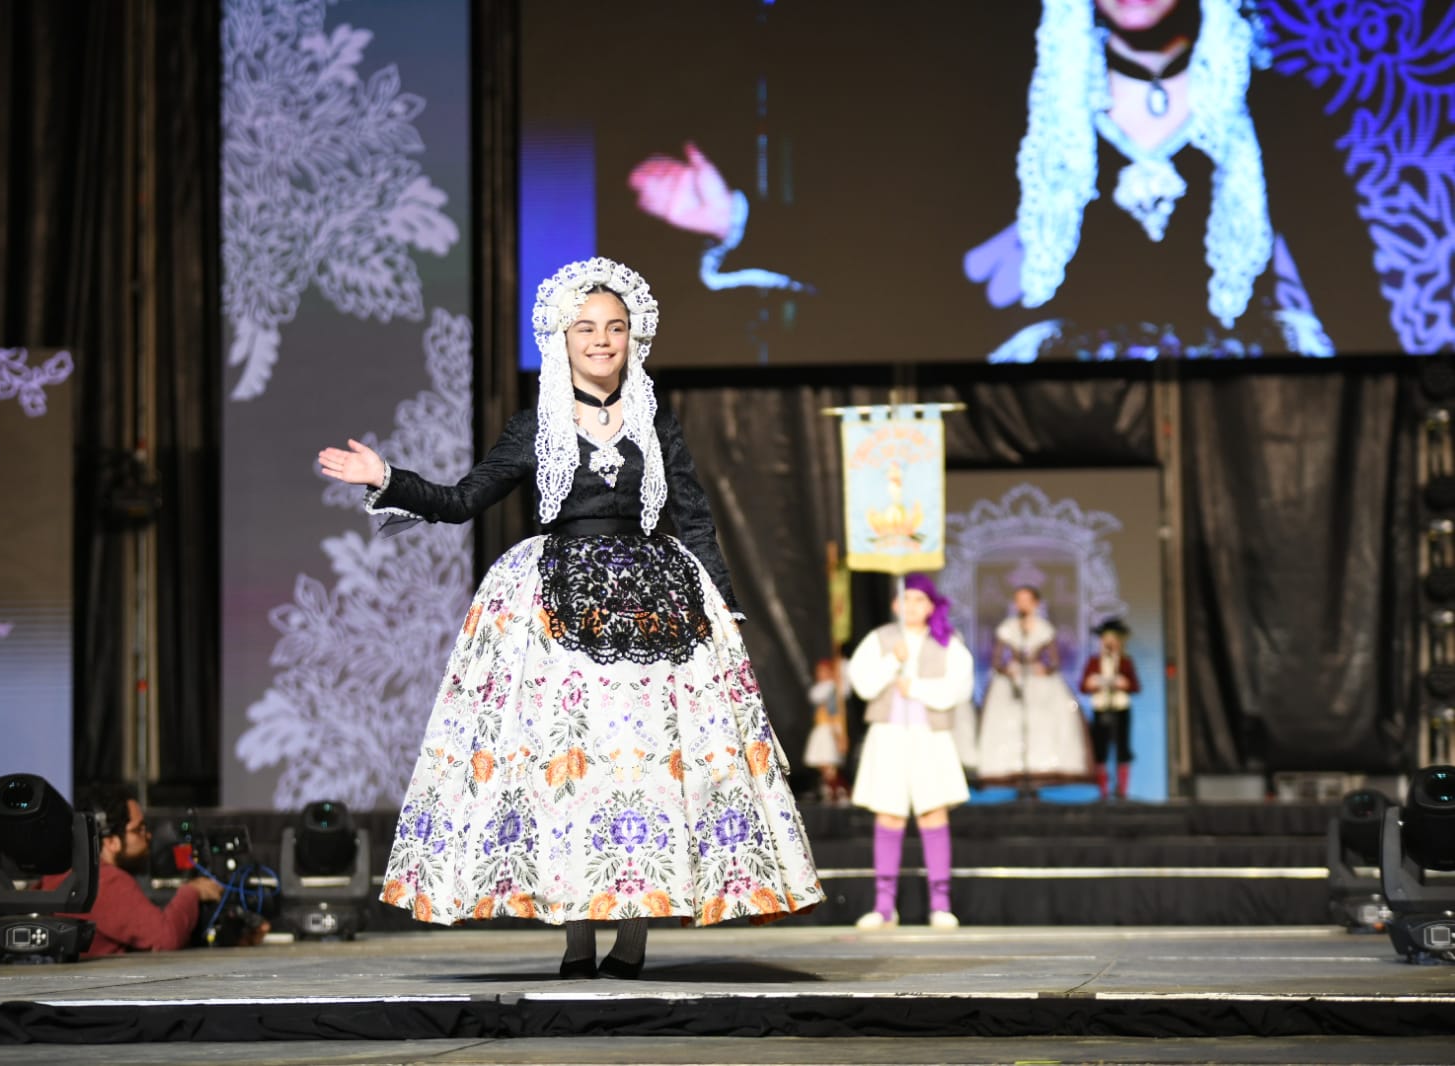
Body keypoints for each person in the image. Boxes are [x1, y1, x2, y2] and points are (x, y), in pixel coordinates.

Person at [317, 257, 823, 980]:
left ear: (632, 339)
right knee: (572, 770)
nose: (600, 340)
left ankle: (634, 940)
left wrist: (723, 607)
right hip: (554, 611)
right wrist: (388, 479)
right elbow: (465, 500)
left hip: (658, 606)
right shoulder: (536, 426)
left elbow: (694, 516)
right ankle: (577, 939)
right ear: (561, 337)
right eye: (585, 327)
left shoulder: (657, 422)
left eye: (614, 328)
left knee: (647, 769)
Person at [621, 0, 1391, 363]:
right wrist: (736, 216)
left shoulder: (1277, 111)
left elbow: (1346, 287)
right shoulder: (1023, 116)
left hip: (1248, 400)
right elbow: (908, 272)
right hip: (1047, 404)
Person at [846, 573, 974, 930]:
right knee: (889, 815)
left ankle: (940, 903)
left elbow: (957, 690)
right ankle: (885, 906)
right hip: (889, 735)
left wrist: (915, 686)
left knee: (933, 814)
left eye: (920, 600)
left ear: (931, 605)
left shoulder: (947, 642)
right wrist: (891, 663)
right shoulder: (881, 639)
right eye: (906, 600)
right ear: (895, 605)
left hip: (929, 737)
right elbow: (863, 684)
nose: (912, 607)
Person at [36, 784, 235, 958]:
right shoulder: (106, 880)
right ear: (111, 841)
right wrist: (192, 891)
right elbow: (166, 938)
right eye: (138, 829)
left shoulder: (59, 874)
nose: (148, 836)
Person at [974, 586, 1092, 792]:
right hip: (1012, 682)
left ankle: (1039, 775)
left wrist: (1044, 667)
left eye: (1026, 599)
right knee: (1009, 723)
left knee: (1042, 724)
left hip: (1039, 683)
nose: (1022, 604)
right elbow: (996, 660)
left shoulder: (1044, 628)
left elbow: (1054, 660)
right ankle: (1013, 775)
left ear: (1036, 603)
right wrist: (1006, 669)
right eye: (1018, 600)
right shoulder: (1008, 627)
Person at [1082, 617, 1142, 800]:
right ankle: (1103, 792)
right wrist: (1093, 683)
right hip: (1101, 709)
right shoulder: (1094, 662)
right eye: (1105, 639)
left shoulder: (1125, 662)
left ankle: (1122, 792)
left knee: (1123, 749)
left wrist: (1124, 683)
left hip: (1120, 709)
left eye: (1113, 639)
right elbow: (1083, 686)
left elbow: (1135, 686)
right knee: (1100, 750)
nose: (1109, 643)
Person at [803, 657, 850, 805]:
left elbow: (834, 713)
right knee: (824, 765)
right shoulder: (825, 689)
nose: (820, 674)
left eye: (824, 671)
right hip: (822, 728)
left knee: (828, 764)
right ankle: (833, 790)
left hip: (829, 729)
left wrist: (838, 734)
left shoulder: (831, 690)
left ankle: (839, 790)